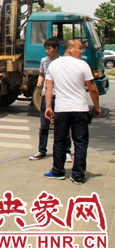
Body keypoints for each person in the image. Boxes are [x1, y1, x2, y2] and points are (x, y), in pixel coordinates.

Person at [43, 39, 101, 183]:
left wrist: (49, 107)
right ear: (70, 49)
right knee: (80, 143)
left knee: (59, 141)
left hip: (61, 110)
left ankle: (58, 171)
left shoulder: (53, 65)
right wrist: (97, 107)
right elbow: (93, 88)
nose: (81, 51)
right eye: (79, 48)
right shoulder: (83, 65)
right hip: (80, 110)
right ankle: (78, 175)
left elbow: (48, 87)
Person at [29, 38, 72, 162]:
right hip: (45, 97)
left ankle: (67, 151)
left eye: (49, 49)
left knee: (63, 125)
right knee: (44, 125)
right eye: (46, 49)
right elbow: (41, 75)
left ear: (56, 48)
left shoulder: (62, 61)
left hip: (59, 97)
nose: (47, 51)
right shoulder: (44, 61)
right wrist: (39, 82)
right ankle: (41, 150)